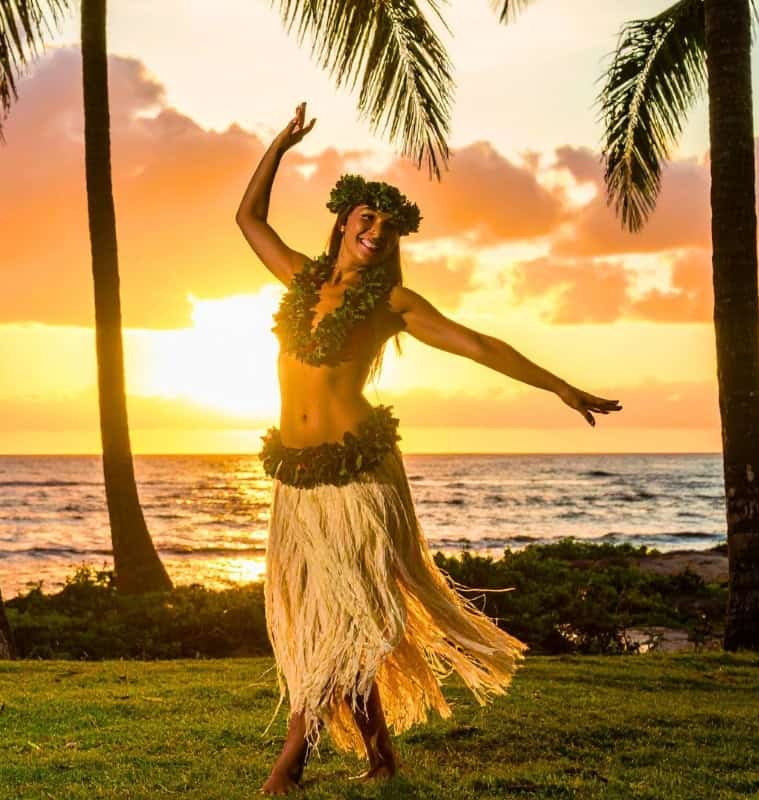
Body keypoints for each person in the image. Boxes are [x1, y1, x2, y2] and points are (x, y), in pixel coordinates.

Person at [236, 102, 623, 795]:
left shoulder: (395, 304)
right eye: (368, 218)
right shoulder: (299, 278)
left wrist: (559, 385)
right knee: (326, 615)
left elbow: (477, 345)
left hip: (359, 479)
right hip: (297, 482)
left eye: (389, 227)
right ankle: (381, 755)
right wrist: (280, 146)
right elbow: (248, 218)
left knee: (345, 614)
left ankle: (290, 762)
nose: (377, 232)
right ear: (344, 220)